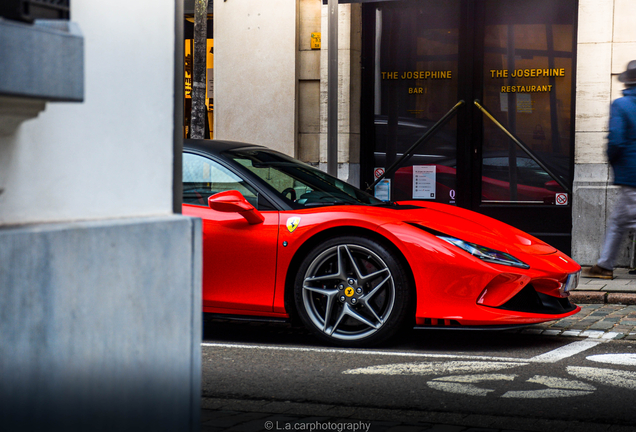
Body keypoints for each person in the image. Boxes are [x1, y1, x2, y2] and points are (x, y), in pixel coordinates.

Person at [589, 60, 636, 279]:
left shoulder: (621, 105)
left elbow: (616, 140)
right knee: (619, 221)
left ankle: (605, 266)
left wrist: (611, 159)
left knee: (624, 221)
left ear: (628, 81)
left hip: (631, 173)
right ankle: (605, 265)